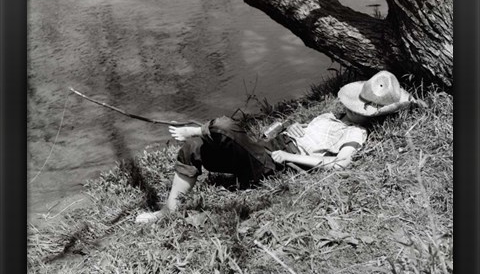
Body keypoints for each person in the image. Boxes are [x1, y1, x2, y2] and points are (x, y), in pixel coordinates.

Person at [136, 70, 415, 224]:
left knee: (222, 125)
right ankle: (169, 211)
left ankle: (195, 128)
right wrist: (299, 128)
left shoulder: (356, 131)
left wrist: (291, 156)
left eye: (363, 111)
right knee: (193, 148)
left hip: (272, 164)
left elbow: (341, 163)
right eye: (356, 107)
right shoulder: (333, 115)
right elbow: (312, 135)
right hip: (265, 148)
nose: (354, 111)